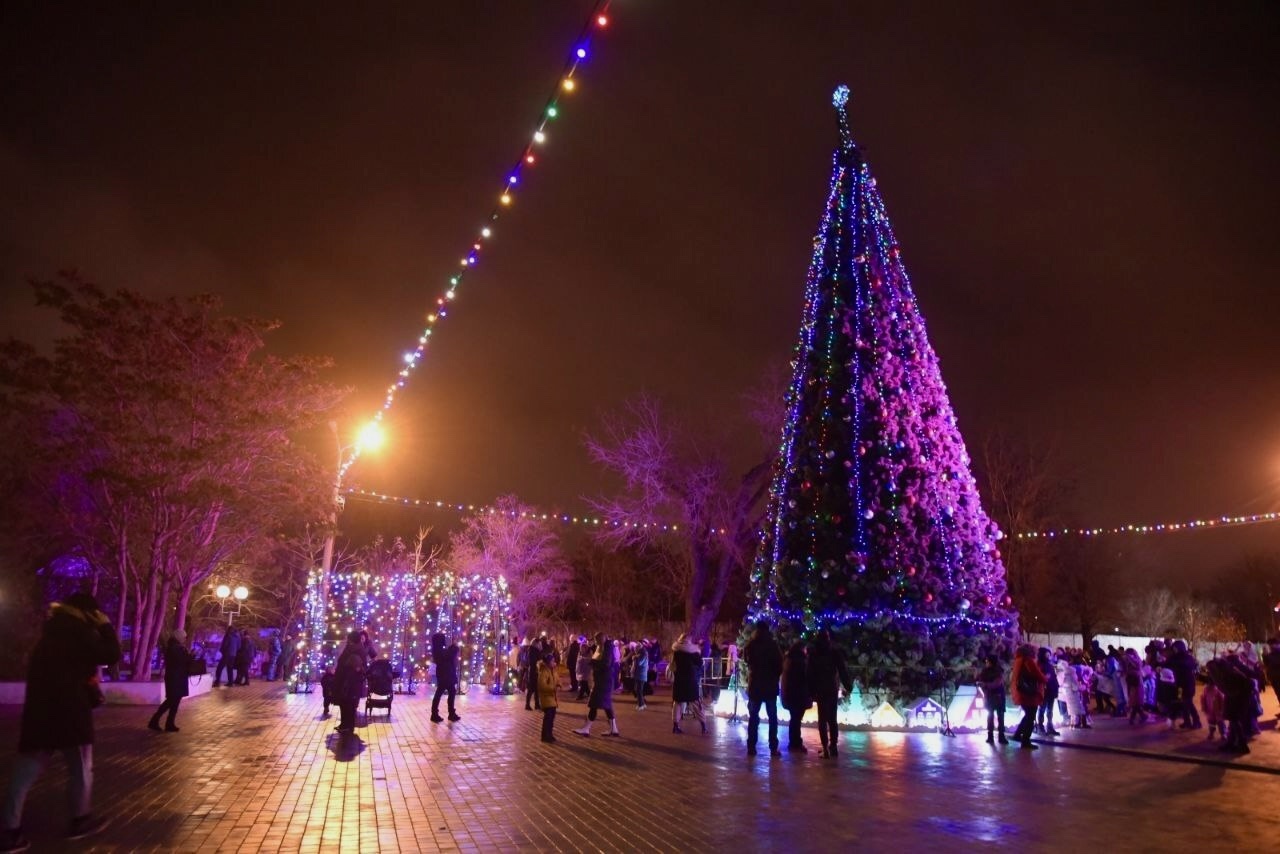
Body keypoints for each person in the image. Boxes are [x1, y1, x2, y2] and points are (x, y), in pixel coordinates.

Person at [1, 593, 120, 850]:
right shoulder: (79, 634)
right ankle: (80, 819)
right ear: (90, 614)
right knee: (80, 769)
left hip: (39, 716)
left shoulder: (50, 634)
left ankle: (9, 830)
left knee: (24, 774)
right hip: (70, 717)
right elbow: (111, 654)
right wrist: (106, 627)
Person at [806, 629, 851, 758]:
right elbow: (842, 670)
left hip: (820, 689)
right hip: (831, 688)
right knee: (832, 718)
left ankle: (825, 748)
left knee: (822, 719)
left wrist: (810, 690)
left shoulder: (814, 653)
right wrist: (848, 685)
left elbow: (809, 674)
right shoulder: (834, 652)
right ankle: (833, 746)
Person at [743, 622, 783, 757]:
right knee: (772, 718)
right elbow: (779, 665)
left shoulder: (751, 644)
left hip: (755, 686)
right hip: (770, 685)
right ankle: (773, 747)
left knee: (753, 716)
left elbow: (747, 660)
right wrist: (774, 676)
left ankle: (751, 746)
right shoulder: (773, 645)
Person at [573, 633, 620, 737]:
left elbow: (606, 663)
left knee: (593, 703)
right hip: (604, 680)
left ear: (602, 638)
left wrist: (592, 662)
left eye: (596, 639)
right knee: (607, 705)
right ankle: (614, 729)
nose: (595, 642)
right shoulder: (604, 647)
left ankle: (586, 728)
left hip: (603, 681)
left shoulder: (607, 648)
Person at [148, 629, 190, 733]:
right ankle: (155, 721)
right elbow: (179, 661)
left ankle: (169, 723)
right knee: (171, 701)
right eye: (184, 637)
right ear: (179, 637)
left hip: (177, 677)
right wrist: (188, 656)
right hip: (175, 677)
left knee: (175, 701)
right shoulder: (174, 648)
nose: (185, 639)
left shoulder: (176, 647)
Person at [1010, 644, 1046, 750]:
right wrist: (1045, 678)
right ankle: (1026, 741)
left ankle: (1017, 735)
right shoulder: (1028, 660)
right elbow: (1037, 674)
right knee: (1031, 716)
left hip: (1021, 691)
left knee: (1028, 715)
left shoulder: (1018, 660)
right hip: (1029, 693)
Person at [332, 632, 367, 734]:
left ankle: (347, 725)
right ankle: (345, 724)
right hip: (347, 680)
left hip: (349, 681)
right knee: (345, 703)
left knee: (348, 704)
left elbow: (356, 666)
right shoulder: (354, 648)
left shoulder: (355, 650)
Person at [780, 640, 810, 752]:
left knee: (794, 719)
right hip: (798, 695)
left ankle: (794, 742)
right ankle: (795, 743)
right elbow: (804, 677)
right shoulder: (800, 661)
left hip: (789, 694)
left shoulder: (788, 659)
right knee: (796, 719)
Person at [669, 634, 703, 734]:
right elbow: (700, 663)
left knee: (677, 703)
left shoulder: (675, 651)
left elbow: (672, 666)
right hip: (690, 680)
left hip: (679, 680)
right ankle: (703, 726)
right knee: (696, 703)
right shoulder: (693, 651)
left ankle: (675, 726)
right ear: (689, 640)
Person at [430, 633, 461, 723]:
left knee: (449, 692)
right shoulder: (438, 650)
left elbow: (448, 655)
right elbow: (447, 656)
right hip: (445, 674)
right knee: (442, 693)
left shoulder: (438, 649)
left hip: (446, 674)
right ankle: (437, 714)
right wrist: (453, 648)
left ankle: (447, 713)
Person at [977, 655, 1007, 745]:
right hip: (991, 696)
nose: (986, 663)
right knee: (991, 716)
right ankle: (991, 736)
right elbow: (981, 682)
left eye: (987, 661)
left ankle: (1000, 736)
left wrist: (985, 685)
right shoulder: (985, 672)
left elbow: (996, 683)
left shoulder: (998, 671)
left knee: (999, 716)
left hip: (997, 696)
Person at [1036, 649, 1060, 736]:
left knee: (1050, 710)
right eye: (1047, 655)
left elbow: (1053, 677)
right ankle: (1041, 726)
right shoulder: (1039, 665)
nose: (1048, 656)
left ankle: (1050, 727)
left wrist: (1056, 687)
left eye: (1049, 655)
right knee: (1042, 708)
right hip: (1044, 689)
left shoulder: (1049, 665)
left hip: (1051, 689)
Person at [536, 652, 559, 743]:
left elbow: (556, 679)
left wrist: (559, 684)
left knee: (551, 718)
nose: (554, 662)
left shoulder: (552, 670)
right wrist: (553, 688)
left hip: (552, 698)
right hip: (546, 698)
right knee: (548, 718)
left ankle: (549, 734)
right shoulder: (544, 671)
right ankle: (545, 735)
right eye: (552, 661)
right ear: (548, 662)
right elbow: (542, 686)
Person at [524, 636, 543, 711]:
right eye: (539, 643)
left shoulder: (533, 650)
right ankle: (528, 704)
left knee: (536, 689)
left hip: (534, 671)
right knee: (531, 689)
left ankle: (536, 704)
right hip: (533, 672)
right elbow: (533, 662)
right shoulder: (532, 651)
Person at [632, 641, 650, 710]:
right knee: (638, 689)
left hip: (641, 674)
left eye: (635, 650)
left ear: (638, 648)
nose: (635, 652)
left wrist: (635, 658)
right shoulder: (642, 653)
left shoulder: (643, 654)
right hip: (639, 674)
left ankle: (641, 705)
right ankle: (642, 704)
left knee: (638, 690)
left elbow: (640, 663)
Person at [574, 637, 593, 701]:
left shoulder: (589, 653)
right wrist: (577, 669)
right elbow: (577, 661)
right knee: (584, 684)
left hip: (586, 670)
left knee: (583, 683)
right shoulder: (580, 653)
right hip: (580, 670)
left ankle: (580, 695)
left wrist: (583, 659)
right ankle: (590, 694)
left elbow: (590, 660)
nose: (581, 649)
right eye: (581, 648)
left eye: (583, 648)